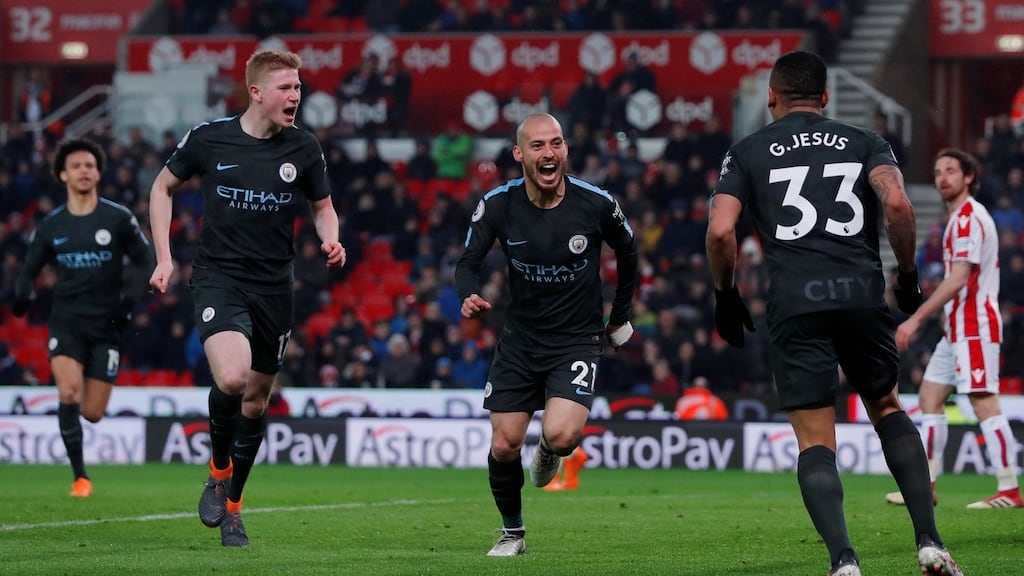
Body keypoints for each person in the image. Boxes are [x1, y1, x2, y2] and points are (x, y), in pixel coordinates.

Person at [705, 51, 961, 576]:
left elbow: (720, 231)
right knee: (887, 407)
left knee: (816, 440)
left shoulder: (747, 151)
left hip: (796, 303)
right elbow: (897, 206)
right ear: (824, 97)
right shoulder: (866, 141)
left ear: (772, 96)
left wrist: (725, 295)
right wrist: (907, 276)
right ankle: (930, 544)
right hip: (861, 295)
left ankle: (844, 561)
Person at [148, 49, 346, 547]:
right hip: (219, 278)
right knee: (233, 378)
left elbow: (323, 206)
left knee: (256, 403)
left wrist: (330, 236)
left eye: (299, 88)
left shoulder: (303, 147)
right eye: (286, 87)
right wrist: (164, 257)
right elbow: (161, 187)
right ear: (256, 92)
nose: (296, 96)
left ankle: (233, 508)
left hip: (275, 286)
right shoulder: (210, 137)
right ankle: (218, 468)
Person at [455, 112, 638, 557]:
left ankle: (551, 452)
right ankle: (511, 533)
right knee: (503, 445)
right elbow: (468, 261)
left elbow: (629, 251)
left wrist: (619, 316)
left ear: (566, 150)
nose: (549, 153)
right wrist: (469, 295)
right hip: (520, 341)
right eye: (537, 146)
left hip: (576, 340)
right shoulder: (498, 204)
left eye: (556, 143)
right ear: (519, 154)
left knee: (560, 436)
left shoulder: (594, 203)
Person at [12, 138, 154, 497]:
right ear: (63, 175)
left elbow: (147, 262)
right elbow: (29, 269)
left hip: (106, 326)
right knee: (69, 391)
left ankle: (81, 470)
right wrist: (22, 295)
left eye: (90, 165)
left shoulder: (117, 218)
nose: (84, 171)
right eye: (77, 166)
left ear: (98, 172)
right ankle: (80, 477)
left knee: (92, 412)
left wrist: (129, 304)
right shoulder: (51, 225)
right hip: (67, 321)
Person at [885, 148, 1022, 510]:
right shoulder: (958, 219)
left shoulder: (967, 219)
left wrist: (916, 318)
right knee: (930, 396)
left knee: (983, 400)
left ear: (968, 177)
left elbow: (960, 277)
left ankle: (1009, 488)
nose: (942, 176)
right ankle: (925, 484)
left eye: (950, 170)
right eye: (937, 170)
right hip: (958, 327)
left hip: (975, 326)